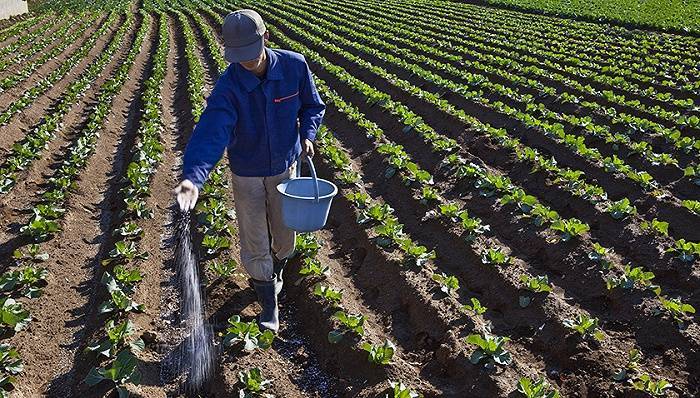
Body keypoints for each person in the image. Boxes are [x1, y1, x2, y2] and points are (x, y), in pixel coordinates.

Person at [174, 9, 326, 333]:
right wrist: (192, 178)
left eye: (251, 54)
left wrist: (307, 136)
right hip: (247, 173)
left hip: (285, 167)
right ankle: (270, 306)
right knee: (255, 240)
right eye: (238, 56)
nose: (246, 62)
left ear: (266, 38)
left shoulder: (294, 67)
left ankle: (279, 269)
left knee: (285, 237)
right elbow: (211, 133)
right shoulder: (229, 86)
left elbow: (313, 106)